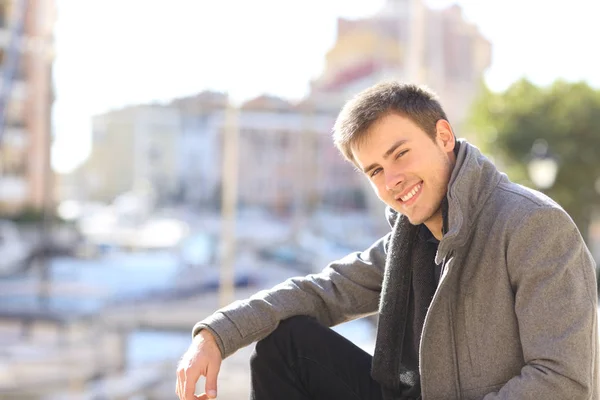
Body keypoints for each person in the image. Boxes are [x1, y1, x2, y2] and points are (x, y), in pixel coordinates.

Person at [175, 81, 599, 400]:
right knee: (285, 346)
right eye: (375, 170)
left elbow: (562, 380)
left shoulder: (532, 225)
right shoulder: (410, 240)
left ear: (444, 138)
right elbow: (324, 291)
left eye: (401, 154)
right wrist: (215, 334)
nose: (393, 180)